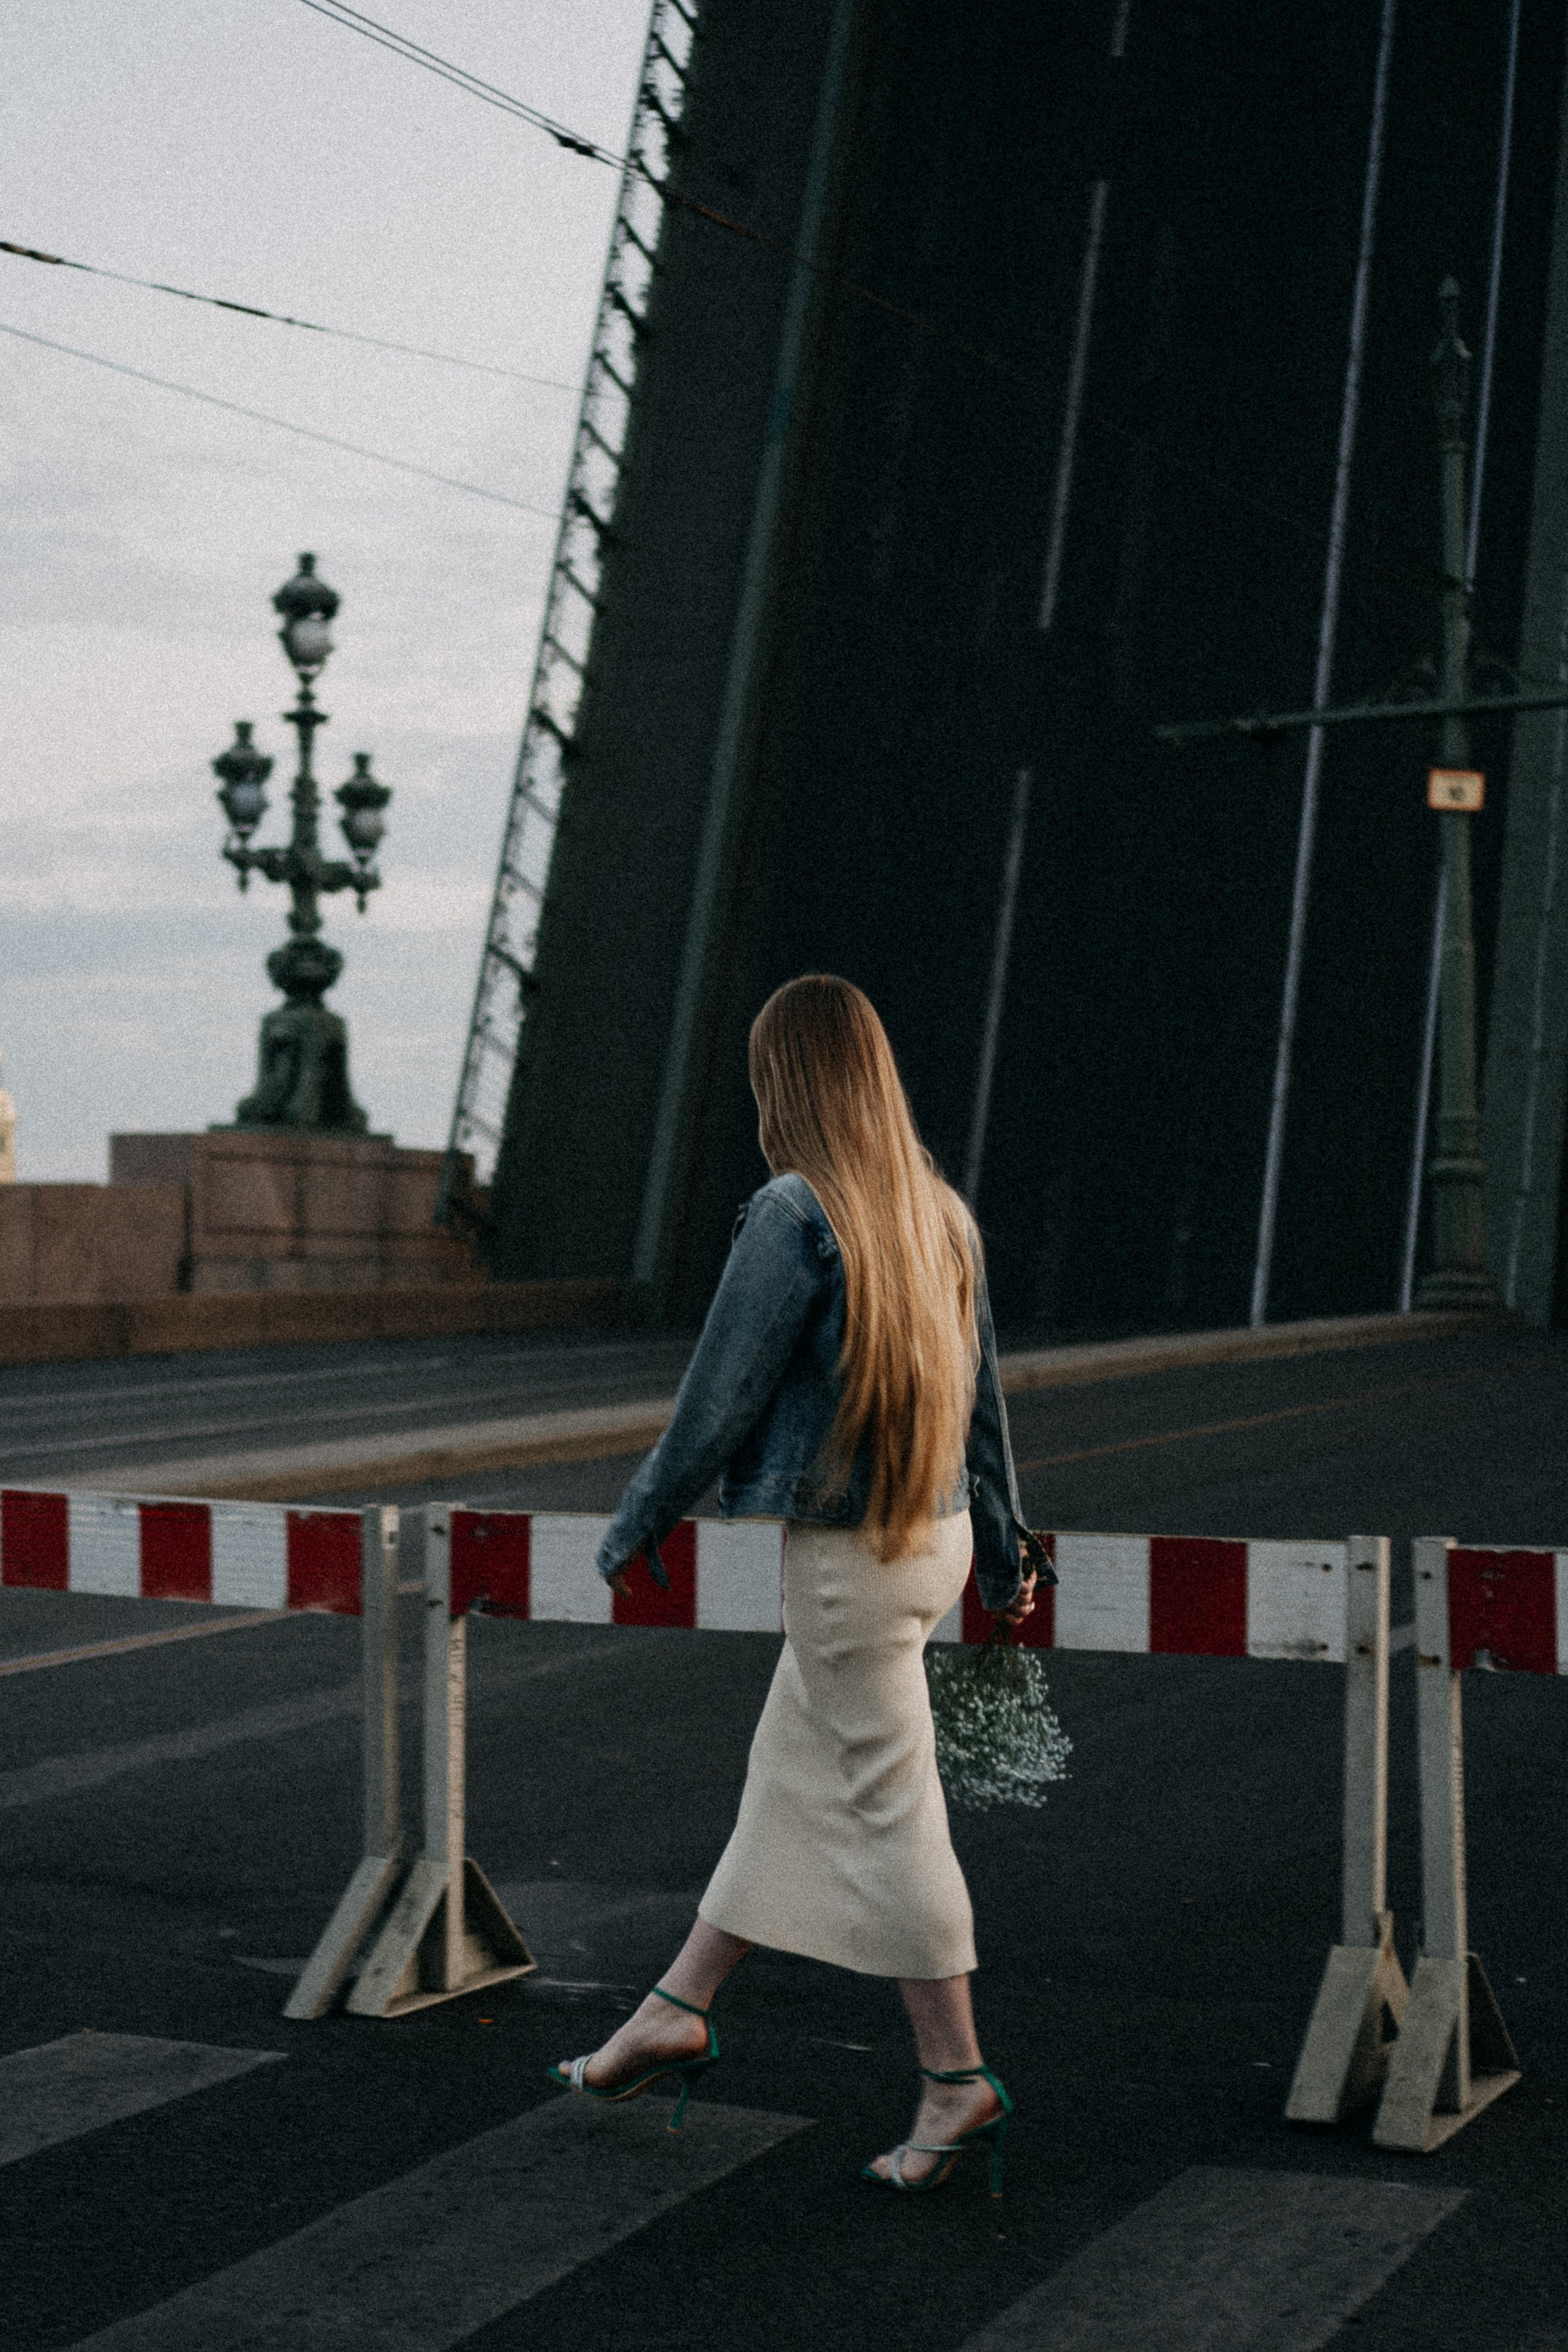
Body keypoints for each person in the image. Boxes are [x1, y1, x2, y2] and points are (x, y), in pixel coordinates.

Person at [548, 974, 1043, 2194]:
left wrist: (635, 1521)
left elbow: (717, 1396)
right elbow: (983, 1412)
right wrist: (1007, 1543)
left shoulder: (794, 1210)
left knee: (889, 1810)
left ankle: (954, 2077)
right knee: (788, 1775)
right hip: (929, 1547)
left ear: (785, 1082)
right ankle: (672, 2009)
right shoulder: (937, 1213)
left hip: (843, 1559)